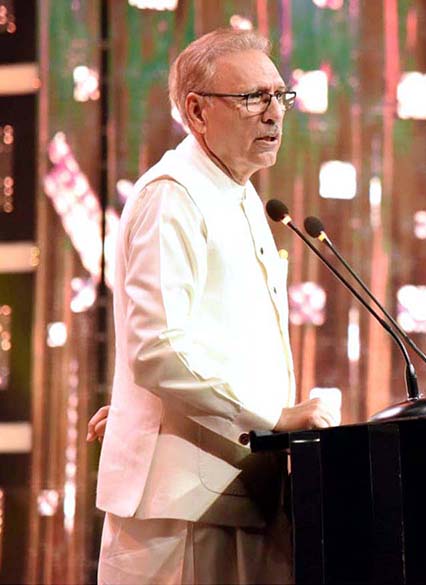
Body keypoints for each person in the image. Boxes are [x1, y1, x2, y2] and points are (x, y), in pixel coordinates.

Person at [94, 28, 339, 584]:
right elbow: (157, 350)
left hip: (237, 488)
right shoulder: (174, 194)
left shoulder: (242, 193)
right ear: (197, 112)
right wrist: (271, 416)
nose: (274, 114)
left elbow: (208, 335)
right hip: (183, 507)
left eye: (280, 96)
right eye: (254, 98)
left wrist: (138, 408)